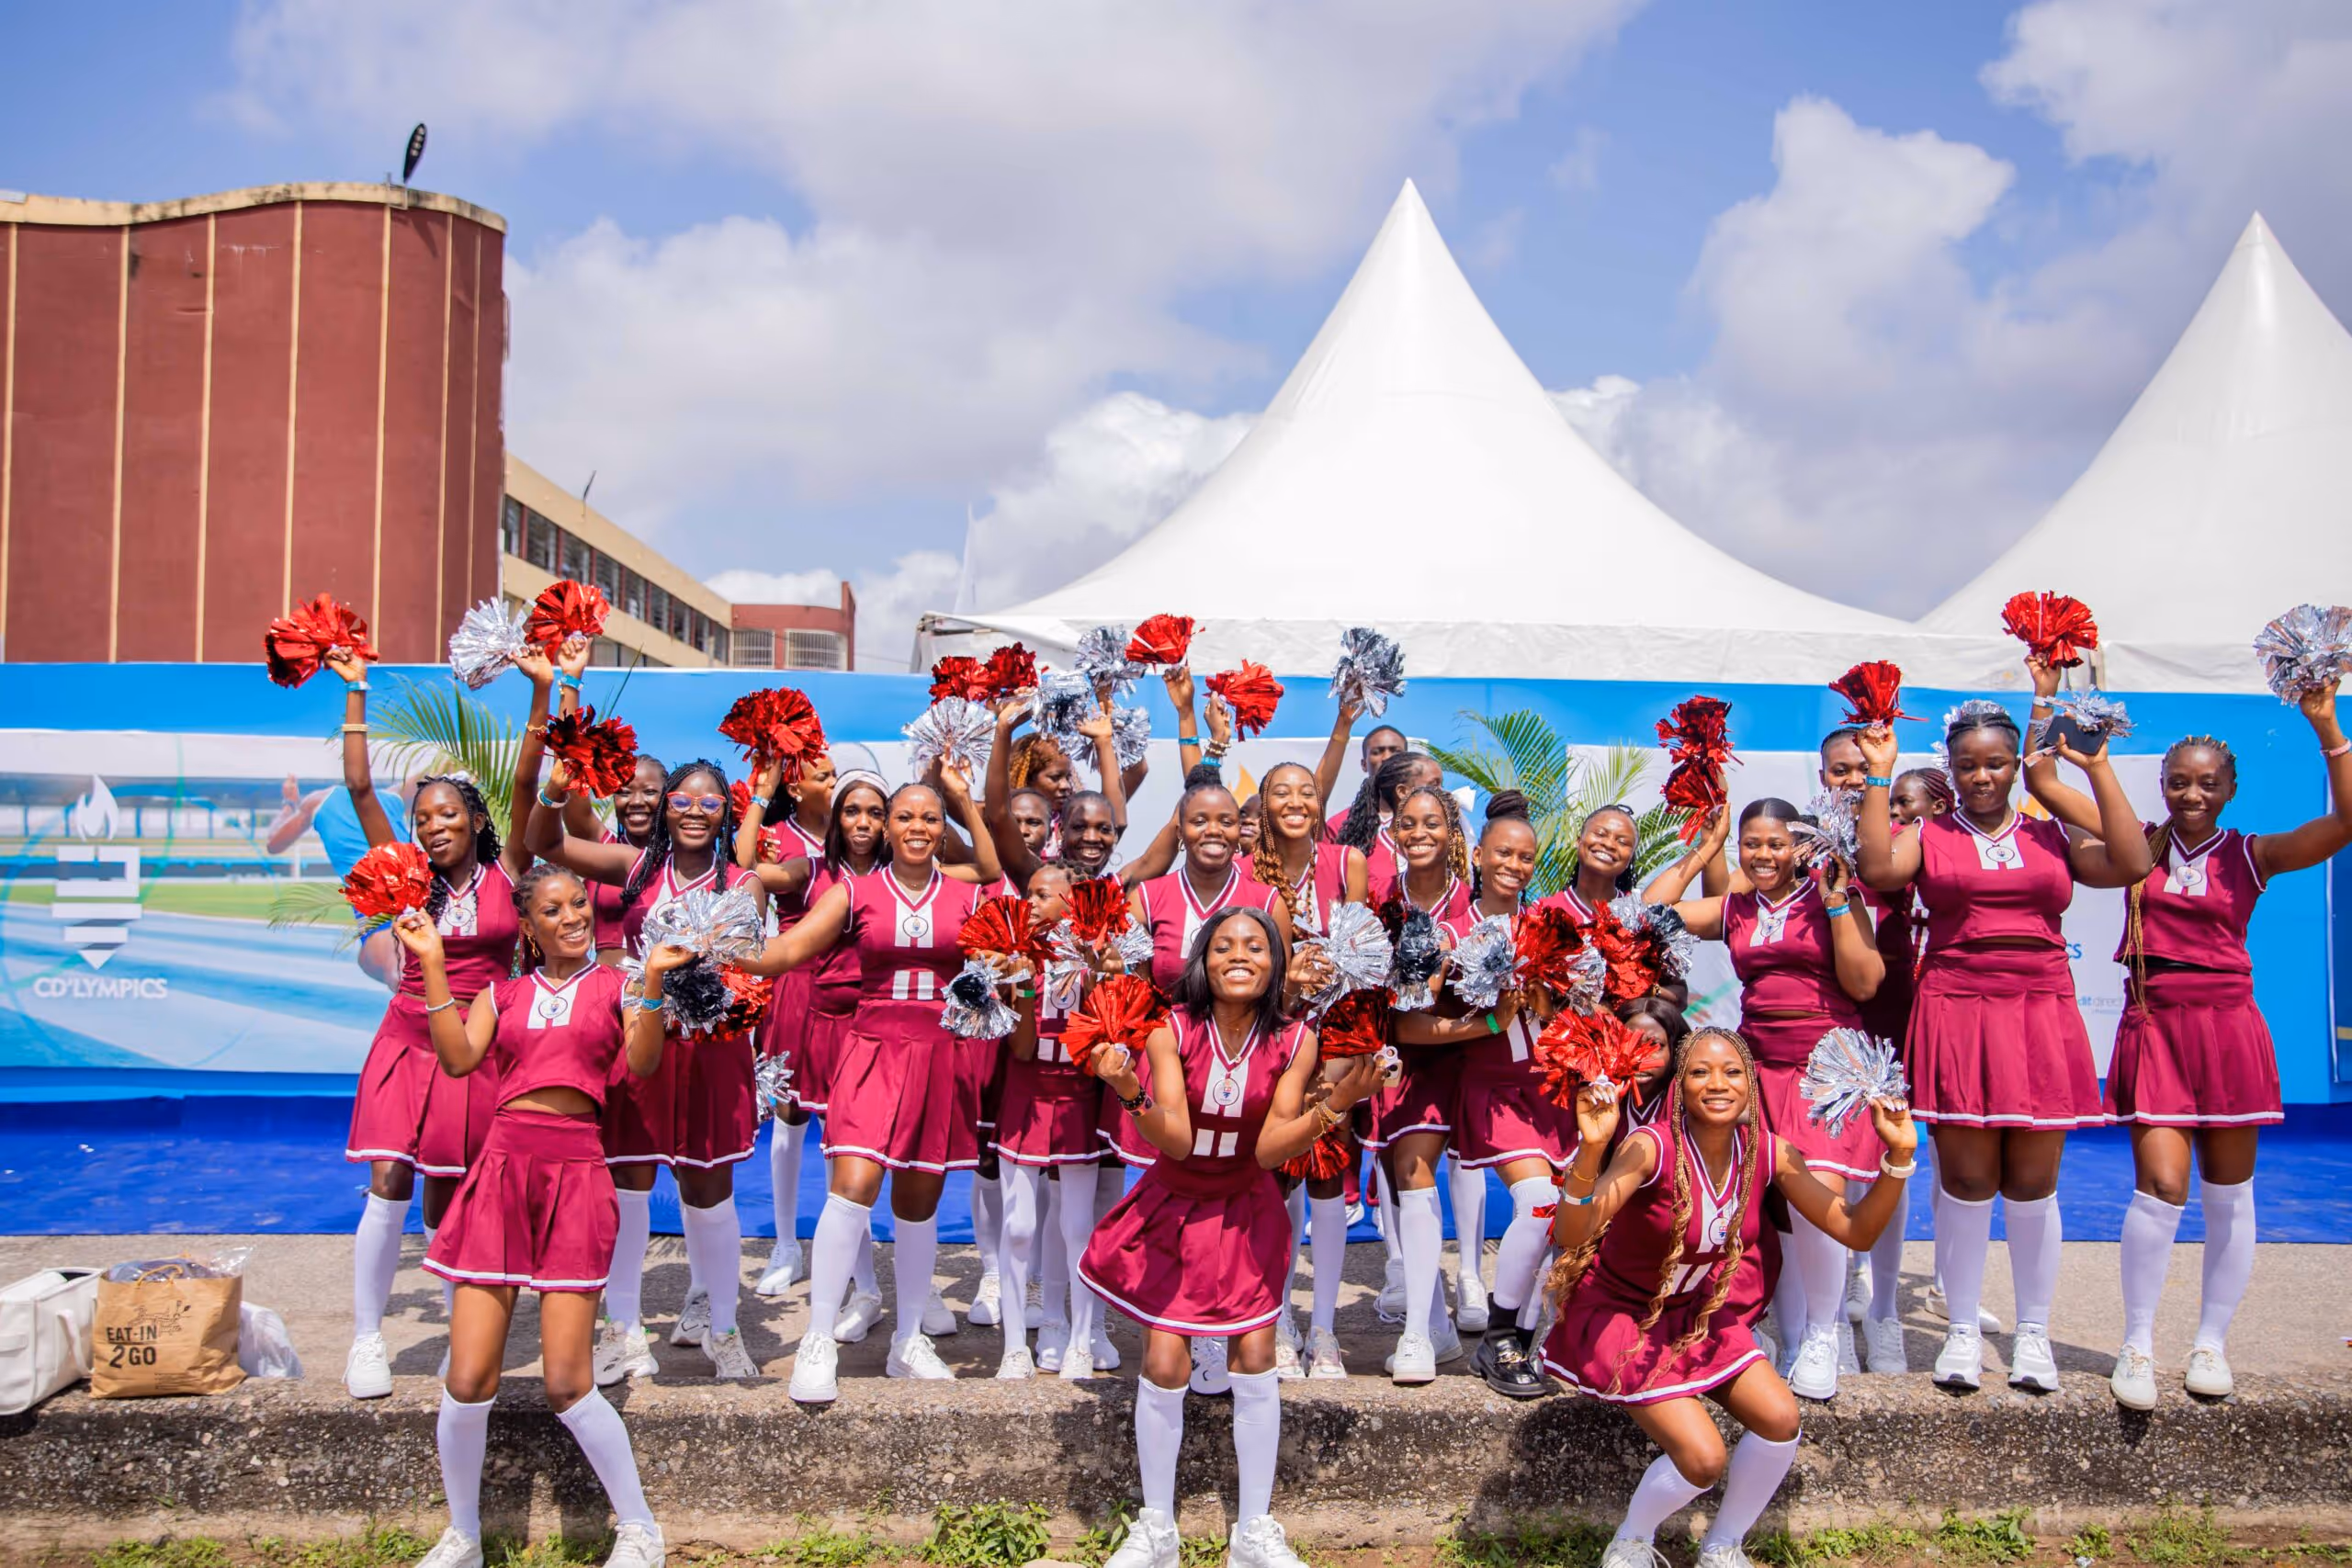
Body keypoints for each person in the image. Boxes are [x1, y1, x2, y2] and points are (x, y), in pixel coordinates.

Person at [2020, 666, 2352, 1409]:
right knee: (2161, 1185)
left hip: (2229, 1029)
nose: (2191, 794)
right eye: (2177, 781)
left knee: (2229, 1194)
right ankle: (2137, 1342)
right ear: (2161, 783)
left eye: (2206, 783)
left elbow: (2345, 823)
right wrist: (2045, 694)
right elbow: (2040, 778)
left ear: (2229, 789)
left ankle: (2212, 1342)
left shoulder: (2252, 855)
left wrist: (2328, 725)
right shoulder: (2132, 841)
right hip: (2155, 1023)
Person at [1856, 697, 2150, 1393]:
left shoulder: (2050, 835)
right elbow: (1876, 870)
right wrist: (1879, 774)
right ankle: (1959, 1329)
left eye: (1995, 763)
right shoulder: (1930, 832)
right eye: (1966, 765)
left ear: (2016, 764)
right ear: (1950, 771)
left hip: (2040, 1010)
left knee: (2032, 1182)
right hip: (1958, 1006)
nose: (1981, 776)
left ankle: (2034, 1334)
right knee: (1964, 1178)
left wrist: (2093, 770)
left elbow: (2134, 857)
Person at [1544, 1027, 1916, 1568]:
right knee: (1702, 1458)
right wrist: (1592, 1147)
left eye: (1732, 1072)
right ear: (1681, 1085)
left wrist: (1898, 1156)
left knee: (1780, 1419)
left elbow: (1855, 1231)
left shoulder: (1770, 1151)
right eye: (1699, 1072)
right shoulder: (1649, 1147)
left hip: (1696, 1317)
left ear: (1751, 1083)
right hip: (1622, 1316)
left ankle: (1723, 1546)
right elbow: (1574, 1232)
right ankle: (1630, 1541)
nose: (1717, 1084)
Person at [1080, 907, 1382, 1568]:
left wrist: (1336, 1107)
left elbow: (1273, 1149)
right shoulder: (1171, 1026)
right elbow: (1179, 1140)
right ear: (1203, 960)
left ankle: (1253, 1532)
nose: (1238, 955)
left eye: (1254, 945)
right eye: (1223, 946)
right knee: (1164, 1361)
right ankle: (1157, 1529)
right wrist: (1130, 1092)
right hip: (1176, 1202)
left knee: (1256, 1356)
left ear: (1276, 961)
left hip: (1248, 1205)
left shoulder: (1298, 1036)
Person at [394, 864, 667, 1568]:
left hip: (576, 1174)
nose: (574, 915)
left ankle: (639, 1528)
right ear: (528, 924)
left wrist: (655, 984)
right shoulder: (503, 991)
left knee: (567, 1381)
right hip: (501, 1172)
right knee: (467, 1377)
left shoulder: (618, 984)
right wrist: (430, 962)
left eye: (580, 902)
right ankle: (464, 1536)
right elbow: (456, 1058)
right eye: (555, 907)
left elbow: (642, 1062)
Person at [737, 771, 1003, 1403]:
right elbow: (784, 953)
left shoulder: (966, 897)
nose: (916, 827)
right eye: (904, 817)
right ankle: (819, 1337)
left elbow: (1002, 948)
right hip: (870, 1051)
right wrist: (706, 942)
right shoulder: (855, 892)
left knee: (918, 1204)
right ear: (888, 827)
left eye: (929, 819)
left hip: (941, 1056)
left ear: (943, 833)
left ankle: (909, 1339)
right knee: (851, 1188)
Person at [336, 647, 550, 1401]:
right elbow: (359, 784)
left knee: (449, 1195)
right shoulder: (403, 873)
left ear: (475, 819)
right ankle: (367, 1337)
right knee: (389, 1179)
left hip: (479, 1047)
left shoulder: (511, 871)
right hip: (408, 1037)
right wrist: (357, 690)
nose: (433, 827)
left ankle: (461, 1321)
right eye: (422, 817)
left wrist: (545, 689)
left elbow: (527, 778)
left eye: (447, 814)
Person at [527, 755, 767, 1382]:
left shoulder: (744, 884)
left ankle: (724, 1328)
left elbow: (751, 968)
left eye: (708, 802)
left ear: (726, 813)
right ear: (665, 808)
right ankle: (625, 1331)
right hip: (640, 1040)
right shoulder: (635, 866)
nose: (693, 811)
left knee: (709, 1193)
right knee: (627, 1189)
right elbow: (544, 841)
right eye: (681, 801)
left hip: (714, 1048)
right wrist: (555, 788)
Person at [1649, 802, 1884, 1400]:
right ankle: (1794, 1331)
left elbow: (1865, 983)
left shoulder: (1833, 893)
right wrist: (1708, 847)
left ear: (1800, 845)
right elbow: (1649, 912)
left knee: (1821, 1196)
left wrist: (1835, 903)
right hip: (1760, 1065)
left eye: (1775, 843)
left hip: (1827, 1063)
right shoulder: (1736, 905)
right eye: (1751, 843)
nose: (1762, 854)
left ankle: (1826, 1335)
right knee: (1775, 1208)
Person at [1440, 793, 1567, 1397]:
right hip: (1495, 1088)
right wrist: (1489, 1010)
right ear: (1479, 854)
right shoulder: (1451, 927)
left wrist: (1551, 997)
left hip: (1554, 1087)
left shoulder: (1548, 923)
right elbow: (1429, 1014)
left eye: (1525, 856)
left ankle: (1523, 1336)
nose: (1514, 865)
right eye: (1503, 853)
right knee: (1539, 1202)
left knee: (1559, 1218)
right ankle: (1497, 1337)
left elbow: (1569, 1009)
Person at [1247, 761, 1369, 1379]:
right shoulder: (1248, 872)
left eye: (1308, 791)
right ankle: (1275, 1317)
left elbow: (1365, 950)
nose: (1295, 800)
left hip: (1341, 1027)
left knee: (1326, 1171)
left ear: (1322, 802)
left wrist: (1339, 1058)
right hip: (1275, 1028)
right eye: (1281, 790)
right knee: (1274, 1172)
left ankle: (1324, 1327)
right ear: (1263, 803)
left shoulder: (1346, 860)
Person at [1367, 784, 1476, 1384]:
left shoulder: (1478, 901)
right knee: (1399, 1174)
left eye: (1431, 821)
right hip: (1403, 1054)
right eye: (1407, 823)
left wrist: (1478, 1021)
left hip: (1469, 1056)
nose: (1418, 832)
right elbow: (1399, 1006)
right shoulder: (1382, 900)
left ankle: (1415, 1334)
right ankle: (1435, 1324)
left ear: (1452, 828)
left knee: (1415, 1172)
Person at [989, 863, 1112, 1380]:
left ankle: (1080, 1340)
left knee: (1077, 1225)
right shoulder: (1016, 958)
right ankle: (1015, 1345)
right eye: (1029, 894)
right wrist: (1015, 982)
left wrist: (1101, 972)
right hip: (1026, 1093)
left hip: (1080, 1096)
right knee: (1018, 1226)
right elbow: (1017, 1047)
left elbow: (1113, 1032)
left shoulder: (1095, 960)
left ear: (1073, 902)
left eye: (1046, 894)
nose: (1033, 902)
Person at [736, 751, 842, 1299]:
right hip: (795, 981)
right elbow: (744, 864)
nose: (834, 780)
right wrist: (761, 792)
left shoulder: (856, 830)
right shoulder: (780, 834)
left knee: (844, 1124)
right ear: (797, 789)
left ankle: (840, 1248)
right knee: (788, 1112)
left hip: (851, 986)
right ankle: (784, 1245)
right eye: (823, 775)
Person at [266, 771, 416, 989]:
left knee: (401, 979)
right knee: (408, 978)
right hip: (416, 897)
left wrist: (289, 802)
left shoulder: (317, 801)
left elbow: (274, 842)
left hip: (381, 913)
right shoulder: (392, 797)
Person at [1332, 751, 1444, 900]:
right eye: (1434, 785)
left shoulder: (1446, 845)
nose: (1444, 793)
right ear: (1403, 792)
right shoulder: (1364, 853)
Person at [1315, 707, 1408, 836]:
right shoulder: (1341, 825)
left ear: (1408, 761)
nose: (1387, 757)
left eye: (1395, 751)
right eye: (1377, 752)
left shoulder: (1427, 818)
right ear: (1364, 764)